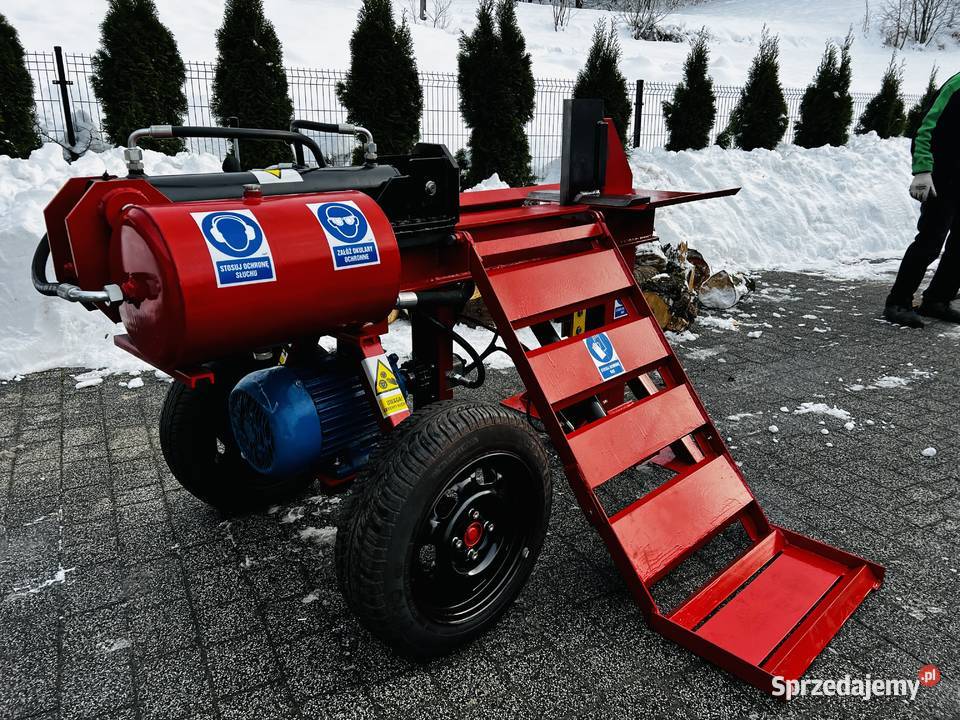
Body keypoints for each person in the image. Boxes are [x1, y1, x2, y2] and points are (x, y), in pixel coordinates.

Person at [884, 71, 960, 328]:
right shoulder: (957, 85)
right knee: (930, 241)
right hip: (943, 179)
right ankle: (898, 302)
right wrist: (922, 170)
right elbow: (927, 127)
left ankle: (937, 300)